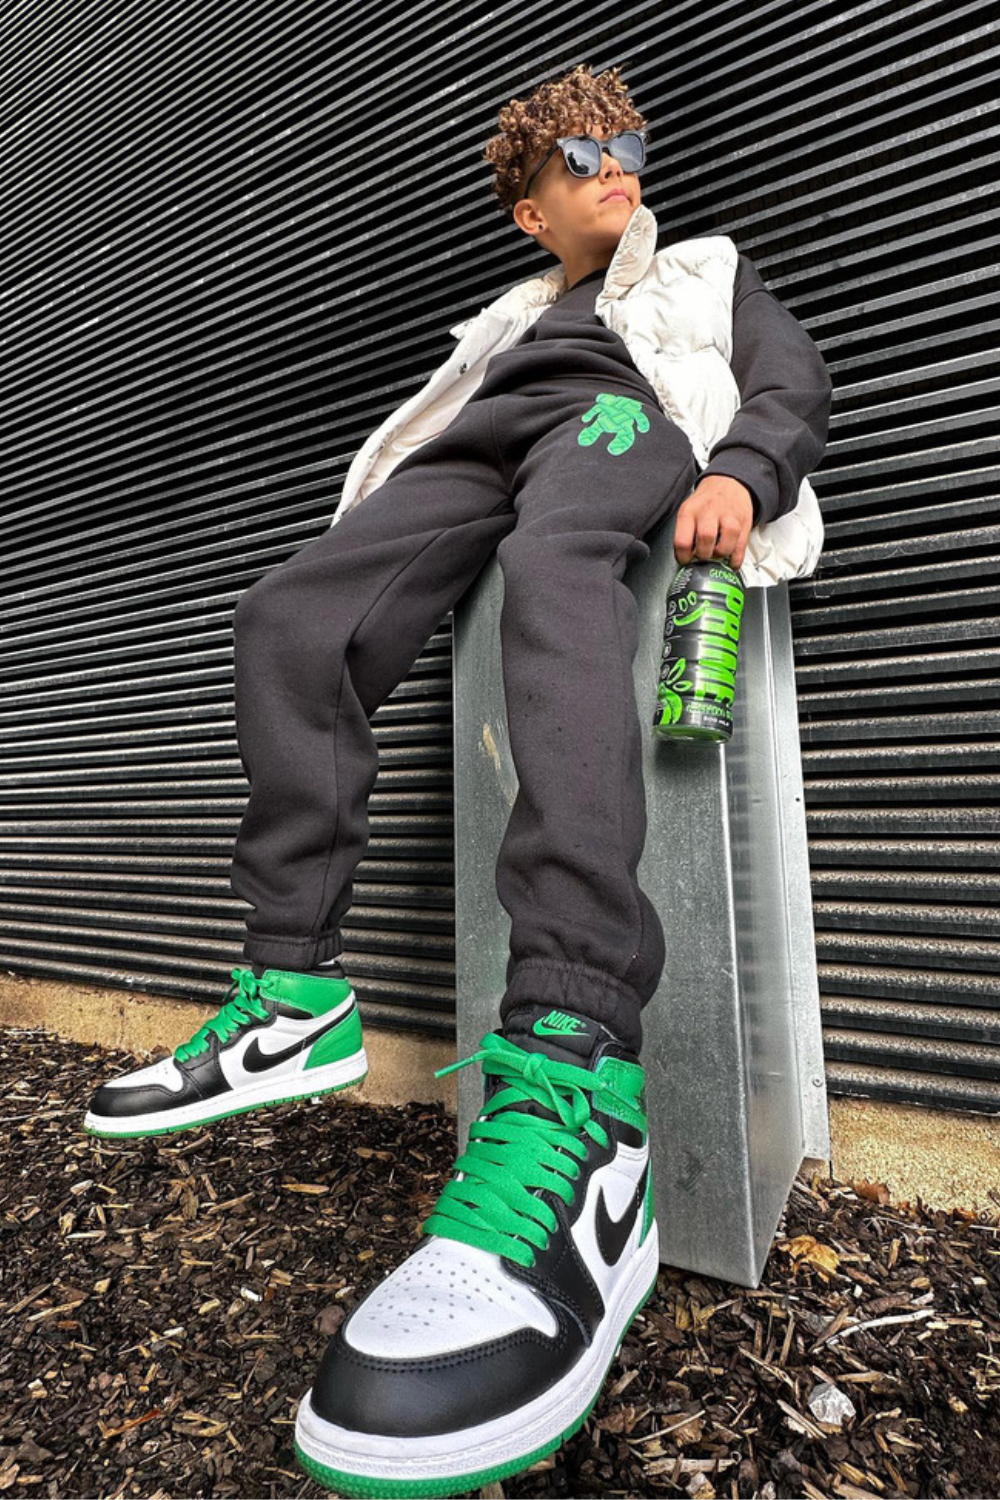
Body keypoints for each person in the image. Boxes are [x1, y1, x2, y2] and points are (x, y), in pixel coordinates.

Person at [84, 61, 832, 1497]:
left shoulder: (700, 271)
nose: (618, 164)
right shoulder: (503, 324)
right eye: (581, 155)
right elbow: (420, 448)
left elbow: (791, 378)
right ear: (528, 208)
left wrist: (742, 466)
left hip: (621, 421)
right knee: (292, 616)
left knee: (556, 580)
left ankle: (573, 1073)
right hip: (487, 448)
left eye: (627, 141)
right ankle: (294, 993)